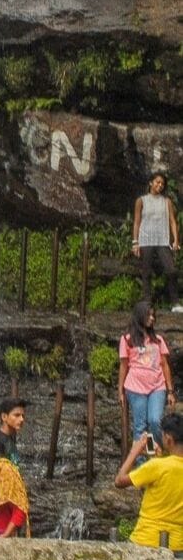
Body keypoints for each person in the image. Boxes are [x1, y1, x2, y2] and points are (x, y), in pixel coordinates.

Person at [115, 411, 183, 552]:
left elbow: (119, 481)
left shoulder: (157, 467)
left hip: (146, 542)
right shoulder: (159, 465)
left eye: (163, 436)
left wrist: (134, 452)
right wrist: (155, 458)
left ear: (169, 439)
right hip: (178, 545)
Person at [118, 301, 175, 451]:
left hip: (157, 386)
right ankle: (145, 461)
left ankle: (159, 452)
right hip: (135, 388)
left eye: (153, 315)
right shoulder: (127, 340)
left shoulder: (158, 340)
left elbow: (164, 365)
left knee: (155, 421)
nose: (152, 318)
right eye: (148, 314)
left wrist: (170, 391)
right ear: (140, 315)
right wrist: (120, 391)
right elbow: (123, 366)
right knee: (141, 427)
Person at [131, 172, 182, 311]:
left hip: (163, 241)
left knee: (171, 270)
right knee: (146, 272)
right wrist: (135, 242)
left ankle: (175, 303)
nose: (160, 185)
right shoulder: (141, 200)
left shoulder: (167, 201)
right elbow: (136, 222)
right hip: (146, 240)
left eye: (162, 184)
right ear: (150, 183)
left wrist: (176, 240)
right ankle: (147, 303)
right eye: (157, 182)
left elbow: (172, 221)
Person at [0, 397, 27, 467]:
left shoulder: (9, 438)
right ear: (4, 417)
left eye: (23, 416)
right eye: (17, 415)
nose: (21, 419)